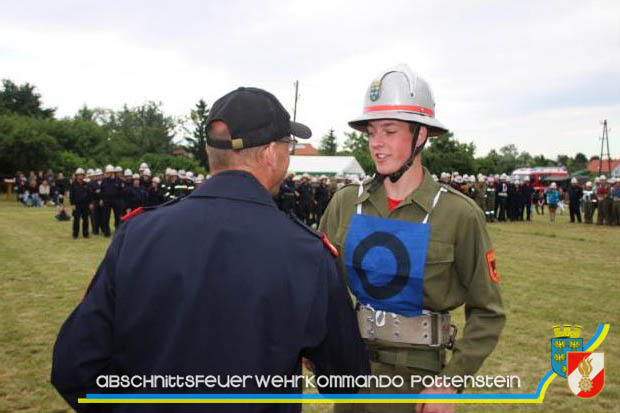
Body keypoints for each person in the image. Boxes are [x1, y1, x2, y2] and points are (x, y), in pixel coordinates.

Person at [51, 86, 369, 413]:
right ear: (271, 153)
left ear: (209, 152)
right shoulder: (306, 253)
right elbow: (347, 379)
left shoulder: (138, 234)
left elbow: (75, 368)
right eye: (289, 147)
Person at [319, 64, 505, 413]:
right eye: (372, 132)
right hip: (354, 379)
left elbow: (488, 311)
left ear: (421, 136)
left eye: (390, 131)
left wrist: (451, 380)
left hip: (418, 384)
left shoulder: (459, 215)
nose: (376, 143)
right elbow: (317, 286)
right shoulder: (345, 203)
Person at [69, 168, 91, 238]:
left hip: (85, 204)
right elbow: (71, 195)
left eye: (81, 175)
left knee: (85, 219)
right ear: (76, 176)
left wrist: (90, 203)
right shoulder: (73, 184)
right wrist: (72, 204)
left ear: (83, 176)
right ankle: (75, 234)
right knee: (76, 219)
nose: (80, 176)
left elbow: (89, 194)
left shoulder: (87, 184)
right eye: (79, 175)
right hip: (77, 204)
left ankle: (86, 234)